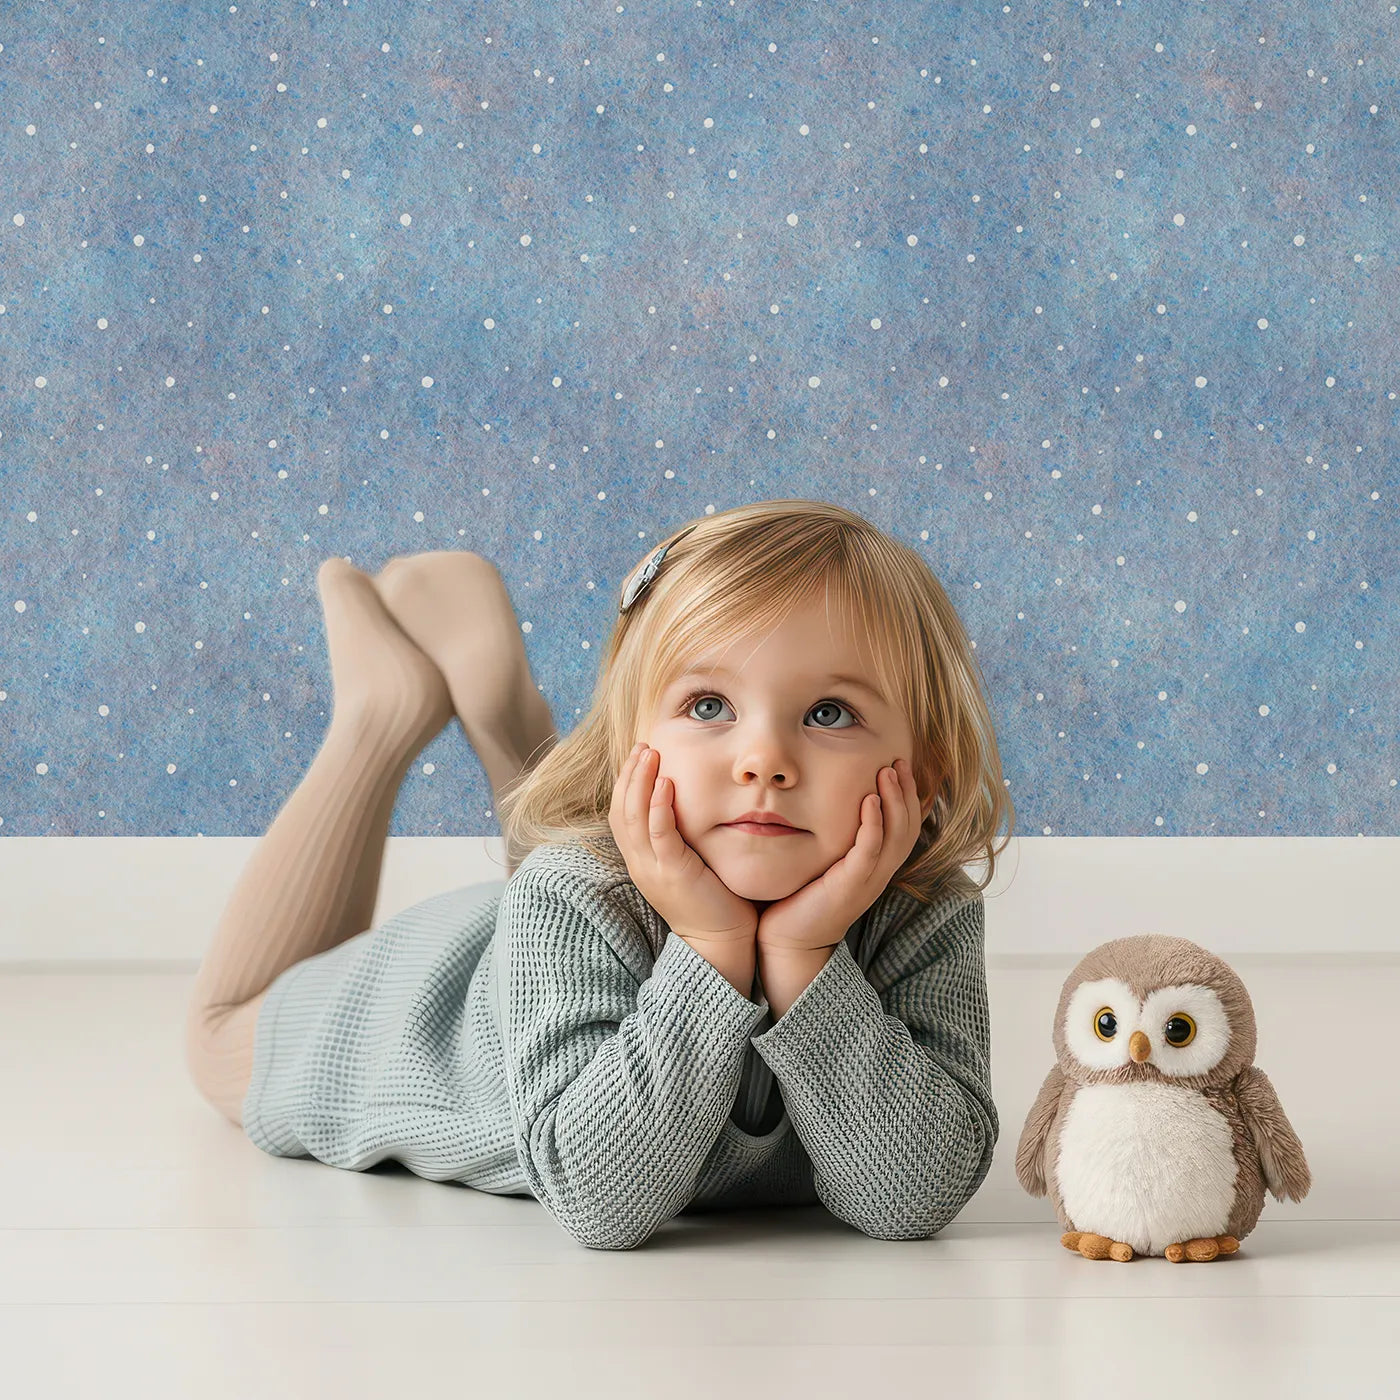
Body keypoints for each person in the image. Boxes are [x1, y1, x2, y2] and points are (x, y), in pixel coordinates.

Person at [184, 499, 1015, 1250]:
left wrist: (805, 955)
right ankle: (379, 713)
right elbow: (598, 1200)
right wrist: (714, 944)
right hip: (429, 1013)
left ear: (925, 770)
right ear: (629, 743)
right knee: (217, 1034)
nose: (764, 760)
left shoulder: (922, 906)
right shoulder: (569, 893)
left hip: (584, 936)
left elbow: (915, 1195)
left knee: (586, 867)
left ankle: (507, 716)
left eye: (828, 714)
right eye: (709, 706)